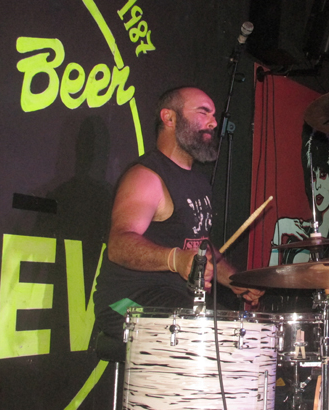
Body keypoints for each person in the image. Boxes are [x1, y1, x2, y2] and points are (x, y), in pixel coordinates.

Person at [93, 86, 263, 339]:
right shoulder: (146, 176)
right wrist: (175, 259)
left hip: (177, 300)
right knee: (216, 333)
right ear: (169, 118)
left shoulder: (199, 182)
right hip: (126, 302)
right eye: (203, 112)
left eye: (213, 115)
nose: (214, 122)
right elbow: (118, 245)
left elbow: (198, 247)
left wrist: (235, 280)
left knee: (243, 331)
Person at [268, 124, 329, 266]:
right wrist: (278, 232)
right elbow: (272, 278)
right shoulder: (298, 236)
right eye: (313, 176)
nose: (317, 186)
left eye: (323, 175)